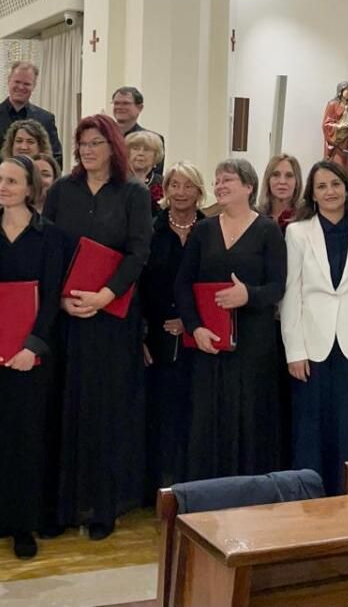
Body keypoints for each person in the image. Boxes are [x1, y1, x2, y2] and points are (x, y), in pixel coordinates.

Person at [42, 113, 150, 540]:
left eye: (96, 143)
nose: (88, 150)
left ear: (113, 148)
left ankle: (104, 506)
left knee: (106, 413)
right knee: (64, 408)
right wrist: (62, 300)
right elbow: (50, 249)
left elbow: (138, 253)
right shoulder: (61, 192)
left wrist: (106, 295)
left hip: (113, 320)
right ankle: (65, 505)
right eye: (82, 143)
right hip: (67, 318)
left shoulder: (133, 194)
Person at [0, 156, 65, 559]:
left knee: (28, 437)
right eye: (0, 180)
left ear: (30, 188)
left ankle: (25, 523)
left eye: (13, 180)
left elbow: (52, 297)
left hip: (31, 356)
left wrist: (33, 346)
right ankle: (0, 516)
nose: (3, 186)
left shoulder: (50, 237)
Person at [177, 159, 286, 481]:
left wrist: (248, 295)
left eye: (228, 180)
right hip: (210, 340)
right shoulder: (203, 229)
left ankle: (249, 493)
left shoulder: (268, 230)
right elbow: (183, 283)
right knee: (209, 418)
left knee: (250, 416)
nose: (220, 186)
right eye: (217, 180)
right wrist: (195, 327)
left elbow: (278, 286)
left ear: (249, 187)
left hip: (254, 343)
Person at [281, 160, 348, 495]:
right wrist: (295, 350)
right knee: (313, 428)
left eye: (335, 184)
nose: (330, 192)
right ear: (312, 194)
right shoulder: (297, 232)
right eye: (321, 186)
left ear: (347, 189)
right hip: (313, 345)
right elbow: (291, 294)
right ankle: (312, 499)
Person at [140, 162, 206, 493]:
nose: (180, 192)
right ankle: (155, 486)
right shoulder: (151, 229)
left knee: (192, 413)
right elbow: (138, 285)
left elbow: (211, 283)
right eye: (174, 185)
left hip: (198, 337)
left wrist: (190, 321)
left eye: (188, 186)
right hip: (156, 337)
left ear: (199, 191)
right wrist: (140, 336)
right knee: (158, 413)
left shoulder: (211, 230)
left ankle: (190, 485)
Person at [0, 61, 63, 179]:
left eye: (27, 84)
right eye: (17, 82)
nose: (21, 87)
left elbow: (55, 158)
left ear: (34, 86)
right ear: (8, 81)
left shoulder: (46, 119)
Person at [321, 81, 348, 174]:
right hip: (338, 144)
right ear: (341, 90)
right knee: (337, 169)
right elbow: (326, 125)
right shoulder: (333, 104)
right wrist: (340, 127)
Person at [126, 131, 165, 212]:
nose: (141, 153)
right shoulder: (116, 180)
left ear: (156, 155)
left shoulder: (164, 184)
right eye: (136, 149)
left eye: (147, 149)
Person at [262, 153, 303, 228]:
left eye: (289, 175)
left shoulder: (304, 220)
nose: (282, 181)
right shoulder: (256, 218)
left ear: (297, 182)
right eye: (276, 175)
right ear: (268, 180)